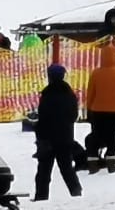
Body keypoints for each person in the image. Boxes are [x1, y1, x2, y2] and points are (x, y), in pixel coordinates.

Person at [33, 63, 83, 202]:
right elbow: (73, 116)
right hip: (65, 138)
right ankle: (76, 193)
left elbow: (43, 116)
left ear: (50, 76)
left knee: (44, 171)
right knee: (67, 169)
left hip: (48, 139)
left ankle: (41, 197)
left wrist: (39, 133)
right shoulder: (69, 94)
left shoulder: (47, 94)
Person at [83, 45, 115, 162]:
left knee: (96, 135)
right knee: (112, 136)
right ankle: (111, 161)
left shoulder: (95, 74)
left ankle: (92, 160)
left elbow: (90, 93)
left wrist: (89, 108)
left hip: (97, 110)